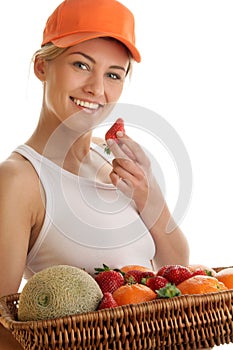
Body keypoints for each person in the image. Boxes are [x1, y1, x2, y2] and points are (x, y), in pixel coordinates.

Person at [0, 0, 189, 348]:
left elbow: (175, 266)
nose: (97, 88)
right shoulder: (19, 180)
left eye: (113, 74)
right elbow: (2, 325)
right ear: (42, 66)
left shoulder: (114, 159)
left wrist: (150, 196)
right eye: (81, 65)